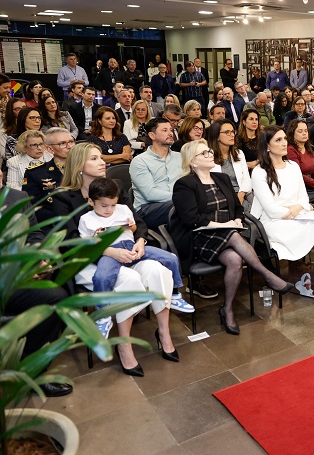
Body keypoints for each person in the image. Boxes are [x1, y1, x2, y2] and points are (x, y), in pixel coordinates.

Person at [52, 143, 177, 376]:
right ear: (79, 165)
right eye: (95, 158)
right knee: (129, 278)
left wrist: (140, 241)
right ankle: (124, 345)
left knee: (159, 271)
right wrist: (108, 252)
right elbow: (68, 241)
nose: (102, 162)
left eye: (101, 157)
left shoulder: (115, 186)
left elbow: (137, 222)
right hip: (89, 261)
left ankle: (163, 332)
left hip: (128, 250)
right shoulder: (64, 198)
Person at [171, 140, 294, 335]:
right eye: (204, 153)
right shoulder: (184, 184)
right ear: (192, 162)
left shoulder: (222, 178)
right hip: (199, 236)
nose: (210, 154)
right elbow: (191, 218)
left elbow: (237, 207)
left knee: (235, 260)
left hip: (226, 233)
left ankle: (227, 309)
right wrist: (225, 226)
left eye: (209, 151)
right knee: (234, 236)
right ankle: (268, 275)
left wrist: (236, 219)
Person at [250, 126, 314, 310]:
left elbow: (305, 200)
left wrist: (297, 208)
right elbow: (272, 210)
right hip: (274, 223)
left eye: (284, 139)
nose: (284, 143)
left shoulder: (292, 166)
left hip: (298, 215)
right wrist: (295, 209)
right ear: (267, 146)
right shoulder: (260, 172)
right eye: (278, 140)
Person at [78, 177, 193, 335]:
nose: (109, 210)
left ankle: (174, 294)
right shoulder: (86, 219)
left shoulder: (123, 209)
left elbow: (133, 228)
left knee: (170, 258)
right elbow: (87, 245)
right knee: (101, 277)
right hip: (109, 251)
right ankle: (102, 314)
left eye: (113, 205)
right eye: (104, 205)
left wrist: (132, 231)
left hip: (131, 246)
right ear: (91, 201)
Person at [2, 172, 72, 397]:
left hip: (18, 279)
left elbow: (35, 235)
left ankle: (33, 371)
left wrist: (37, 258)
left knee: (55, 297)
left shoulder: (15, 197)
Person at [22, 127, 73, 222]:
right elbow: (33, 207)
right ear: (50, 149)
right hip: (53, 224)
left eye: (71, 142)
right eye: (62, 143)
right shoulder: (36, 173)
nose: (69, 146)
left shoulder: (85, 167)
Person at [208, 119, 251, 205]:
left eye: (232, 131)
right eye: (227, 132)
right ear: (216, 136)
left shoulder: (239, 153)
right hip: (222, 197)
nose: (232, 135)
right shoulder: (208, 156)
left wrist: (241, 195)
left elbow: (247, 179)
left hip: (243, 193)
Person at [286, 119, 314, 203]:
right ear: (292, 133)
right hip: (300, 188)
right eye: (300, 131)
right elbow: (297, 175)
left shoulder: (308, 148)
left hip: (312, 185)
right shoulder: (290, 150)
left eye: (306, 131)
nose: (304, 133)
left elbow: (313, 170)